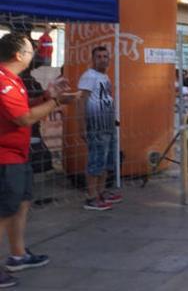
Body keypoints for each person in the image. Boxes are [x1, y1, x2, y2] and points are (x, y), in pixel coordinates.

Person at [1, 33, 77, 288]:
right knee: (4, 210)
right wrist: (56, 101)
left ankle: (18, 254)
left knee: (21, 204)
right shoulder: (3, 82)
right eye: (30, 49)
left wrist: (47, 96)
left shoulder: (15, 81)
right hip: (5, 158)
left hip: (18, 156)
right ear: (17, 55)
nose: (35, 52)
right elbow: (23, 118)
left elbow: (25, 106)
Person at [77, 46, 121, 211]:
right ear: (93, 59)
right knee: (95, 161)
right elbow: (81, 102)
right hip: (96, 125)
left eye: (105, 56)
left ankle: (101, 192)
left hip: (107, 124)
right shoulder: (89, 76)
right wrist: (81, 126)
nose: (103, 59)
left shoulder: (104, 76)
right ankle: (91, 197)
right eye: (99, 56)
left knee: (106, 161)